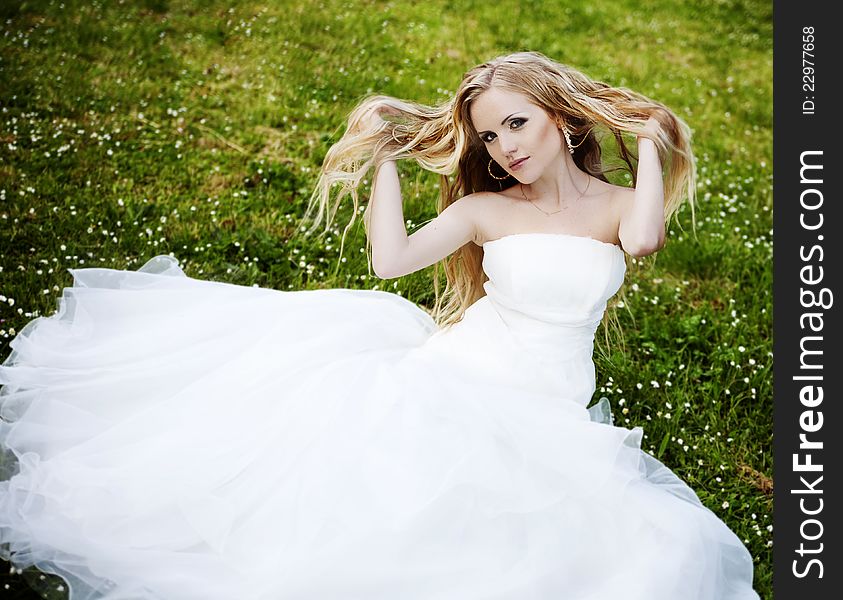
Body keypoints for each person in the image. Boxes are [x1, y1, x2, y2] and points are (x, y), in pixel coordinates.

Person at [0, 51, 758, 599]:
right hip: (463, 380)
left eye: (518, 124)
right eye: (490, 138)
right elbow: (392, 260)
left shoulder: (617, 206)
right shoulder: (486, 210)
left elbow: (646, 239)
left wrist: (653, 144)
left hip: (550, 398)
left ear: (562, 118)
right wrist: (388, 157)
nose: (507, 148)